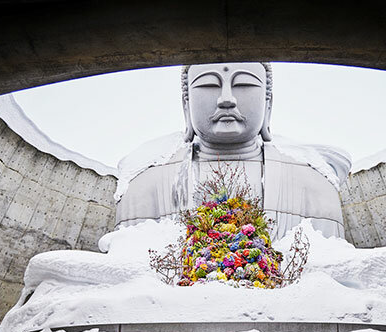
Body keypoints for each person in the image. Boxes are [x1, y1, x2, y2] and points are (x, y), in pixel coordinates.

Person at [114, 62, 349, 239]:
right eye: (208, 85)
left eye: (245, 84)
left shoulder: (314, 186)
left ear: (268, 103)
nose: (227, 99)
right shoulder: (143, 186)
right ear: (186, 103)